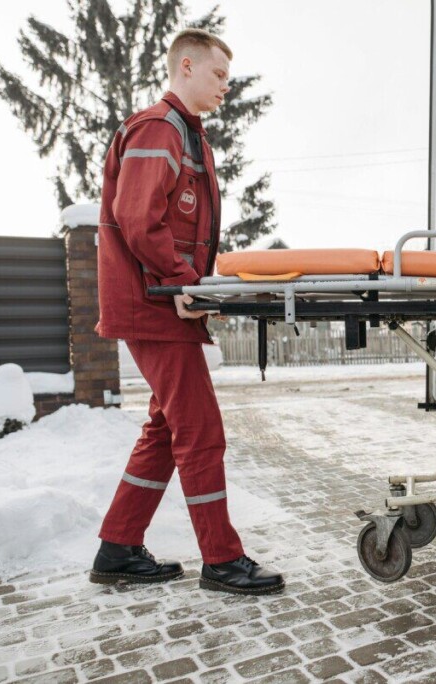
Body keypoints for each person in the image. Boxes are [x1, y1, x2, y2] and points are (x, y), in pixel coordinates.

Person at [89, 28, 283, 595]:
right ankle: (222, 560)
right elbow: (137, 218)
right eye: (219, 75)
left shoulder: (186, 135)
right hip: (151, 305)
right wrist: (180, 283)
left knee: (165, 428)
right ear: (187, 67)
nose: (226, 85)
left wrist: (197, 289)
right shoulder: (160, 128)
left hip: (162, 303)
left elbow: (173, 227)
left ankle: (118, 547)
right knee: (200, 431)